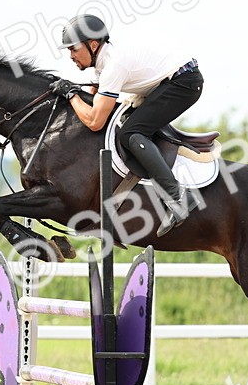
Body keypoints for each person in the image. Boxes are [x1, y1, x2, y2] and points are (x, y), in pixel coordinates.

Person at [57, 14, 203, 236]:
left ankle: (177, 198)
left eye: (73, 49)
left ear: (93, 44)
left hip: (183, 82)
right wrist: (76, 96)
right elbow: (94, 100)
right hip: (175, 79)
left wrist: (70, 95)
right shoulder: (103, 65)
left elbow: (96, 122)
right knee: (127, 125)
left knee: (131, 133)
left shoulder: (113, 67)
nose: (71, 56)